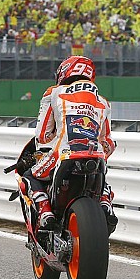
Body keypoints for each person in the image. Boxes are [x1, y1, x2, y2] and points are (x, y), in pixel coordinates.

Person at [18, 56, 118, 232]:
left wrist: (56, 136)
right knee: (103, 178)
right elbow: (107, 142)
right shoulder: (103, 102)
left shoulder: (53, 93)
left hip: (63, 155)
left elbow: (42, 136)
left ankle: (44, 211)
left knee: (29, 176)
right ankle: (105, 203)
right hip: (96, 156)